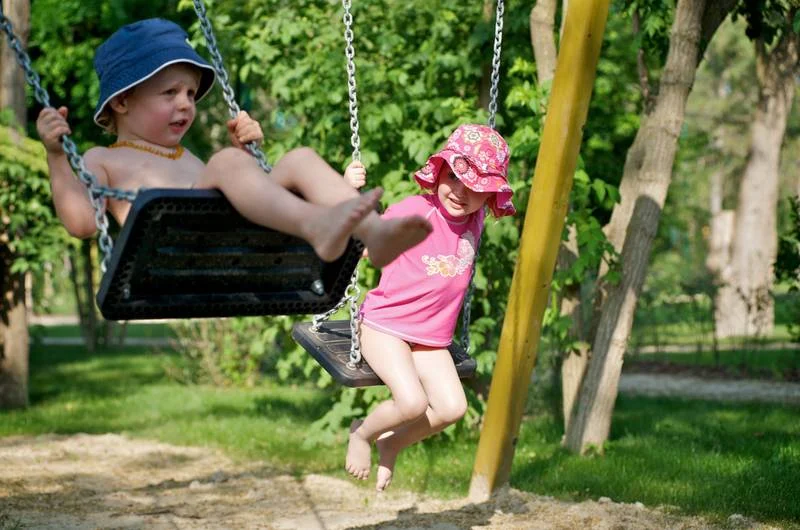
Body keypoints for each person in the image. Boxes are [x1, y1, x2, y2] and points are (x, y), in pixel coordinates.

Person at [35, 18, 432, 268]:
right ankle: (317, 226)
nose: (185, 104)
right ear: (122, 101)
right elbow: (82, 224)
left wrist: (247, 156)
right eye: (169, 92)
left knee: (299, 158)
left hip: (232, 240)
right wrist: (56, 156)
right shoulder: (102, 157)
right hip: (180, 255)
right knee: (226, 162)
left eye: (190, 94)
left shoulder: (186, 156)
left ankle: (374, 233)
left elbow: (243, 200)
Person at [343, 123, 516, 491]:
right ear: (438, 171)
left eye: (476, 188)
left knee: (452, 408)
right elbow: (366, 241)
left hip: (431, 339)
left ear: (489, 196)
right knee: (411, 403)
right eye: (454, 176)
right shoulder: (414, 211)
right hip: (385, 325)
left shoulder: (476, 217)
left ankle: (392, 443)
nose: (461, 192)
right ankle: (362, 435)